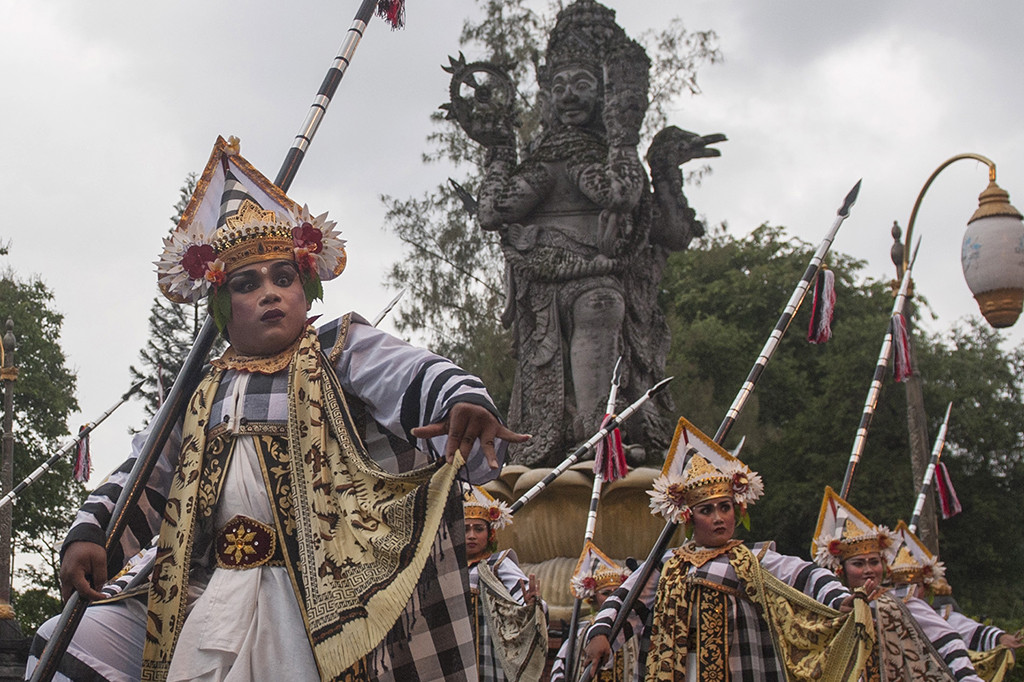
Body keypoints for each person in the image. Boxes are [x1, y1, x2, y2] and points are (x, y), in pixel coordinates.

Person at [28, 136, 527, 682]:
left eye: (283, 278)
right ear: (222, 308)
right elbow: (144, 472)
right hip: (207, 588)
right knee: (68, 639)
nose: (270, 293)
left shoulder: (339, 348)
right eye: (248, 284)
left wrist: (460, 399)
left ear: (305, 290)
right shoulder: (198, 392)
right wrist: (89, 532)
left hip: (320, 591)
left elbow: (408, 372)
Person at [449, 0, 721, 467]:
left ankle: (606, 429)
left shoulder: (606, 153)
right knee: (600, 303)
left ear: (605, 93)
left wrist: (663, 164)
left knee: (607, 304)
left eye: (582, 84)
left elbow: (669, 233)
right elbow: (497, 210)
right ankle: (593, 434)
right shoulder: (558, 156)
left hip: (608, 278)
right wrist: (500, 149)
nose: (569, 96)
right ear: (545, 96)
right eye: (559, 86)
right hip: (560, 284)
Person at [581, 417, 871, 681]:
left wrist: (839, 599)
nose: (718, 518)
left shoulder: (753, 559)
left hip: (739, 669)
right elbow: (626, 599)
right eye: (707, 510)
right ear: (688, 517)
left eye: (725, 507)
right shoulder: (666, 563)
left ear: (737, 510)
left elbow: (808, 575)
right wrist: (601, 633)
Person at [811, 486, 984, 682]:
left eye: (874, 562)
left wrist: (968, 678)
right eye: (858, 564)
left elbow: (948, 641)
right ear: (841, 570)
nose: (868, 570)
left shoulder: (902, 603)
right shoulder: (828, 606)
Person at [889, 521, 1020, 681]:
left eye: (916, 585)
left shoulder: (940, 618)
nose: (909, 592)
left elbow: (969, 632)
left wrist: (1000, 638)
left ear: (926, 588)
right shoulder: (881, 612)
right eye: (901, 587)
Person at [462, 485, 547, 682]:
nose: (472, 535)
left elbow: (530, 604)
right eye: (465, 529)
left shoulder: (497, 564)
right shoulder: (447, 568)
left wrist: (529, 605)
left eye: (478, 529)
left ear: (490, 534)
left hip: (487, 655)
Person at [550, 541, 636, 682]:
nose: (613, 598)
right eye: (606, 593)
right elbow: (560, 666)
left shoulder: (634, 627)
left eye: (617, 593)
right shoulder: (581, 630)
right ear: (593, 598)